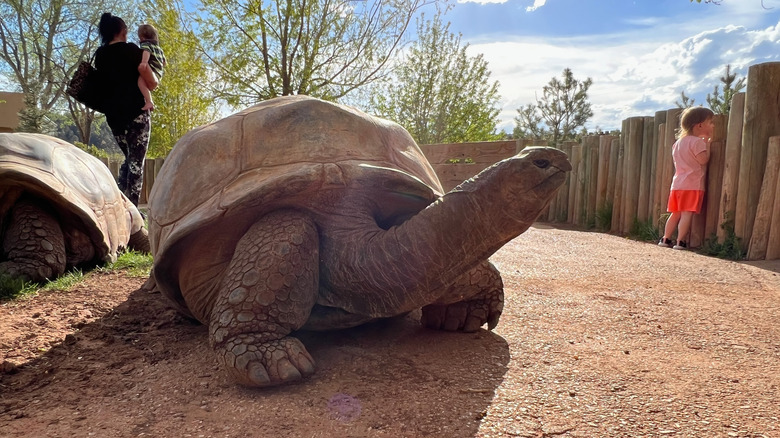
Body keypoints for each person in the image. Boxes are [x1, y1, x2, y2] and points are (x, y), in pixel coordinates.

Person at [94, 12, 157, 206]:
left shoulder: (100, 55)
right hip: (137, 113)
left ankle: (118, 200)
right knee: (136, 163)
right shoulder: (131, 50)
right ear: (122, 31)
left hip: (114, 117)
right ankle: (132, 211)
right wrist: (153, 82)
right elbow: (149, 78)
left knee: (130, 159)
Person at [658, 106, 714, 250]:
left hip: (677, 185)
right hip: (692, 184)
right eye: (710, 122)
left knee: (675, 214)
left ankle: (665, 239)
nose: (713, 125)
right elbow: (702, 160)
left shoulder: (677, 144)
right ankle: (680, 241)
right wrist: (707, 145)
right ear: (700, 125)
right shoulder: (697, 142)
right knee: (686, 214)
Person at [137, 24, 167, 111]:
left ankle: (149, 101)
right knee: (146, 85)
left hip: (152, 70)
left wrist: (144, 62)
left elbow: (146, 52)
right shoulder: (159, 49)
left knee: (140, 81)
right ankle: (150, 101)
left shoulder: (146, 44)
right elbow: (164, 62)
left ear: (142, 37)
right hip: (158, 74)